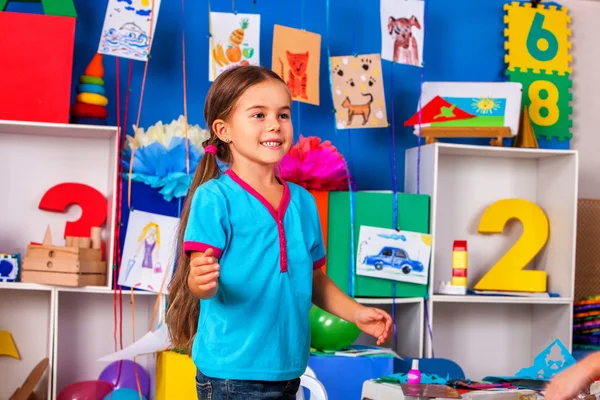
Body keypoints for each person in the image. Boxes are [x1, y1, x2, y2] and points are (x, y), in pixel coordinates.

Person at [166, 65, 394, 399]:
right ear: (223, 129)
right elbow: (200, 281)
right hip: (231, 373)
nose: (275, 124)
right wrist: (198, 282)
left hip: (288, 369)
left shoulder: (302, 201)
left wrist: (357, 313)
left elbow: (314, 280)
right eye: (258, 114)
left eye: (283, 114)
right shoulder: (215, 198)